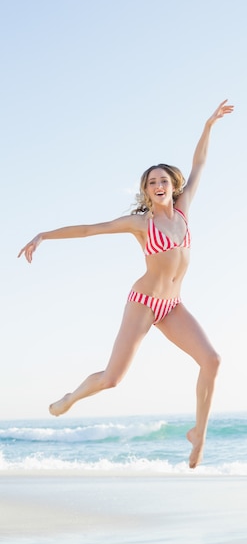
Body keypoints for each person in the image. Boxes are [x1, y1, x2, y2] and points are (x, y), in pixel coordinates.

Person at [18, 99, 234, 468]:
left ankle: (199, 432)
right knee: (112, 379)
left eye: (163, 180)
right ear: (147, 191)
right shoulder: (140, 223)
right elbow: (89, 230)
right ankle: (70, 398)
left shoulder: (183, 211)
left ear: (172, 184)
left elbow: (199, 163)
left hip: (173, 306)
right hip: (144, 303)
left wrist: (208, 125)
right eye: (152, 183)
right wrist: (43, 235)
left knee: (212, 359)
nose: (158, 185)